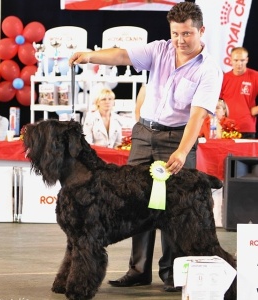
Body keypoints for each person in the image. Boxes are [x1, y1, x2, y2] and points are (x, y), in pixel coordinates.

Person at [69, 1, 223, 292]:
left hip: (177, 139)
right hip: (143, 134)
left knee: (175, 207)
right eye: (176, 33)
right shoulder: (160, 49)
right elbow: (122, 54)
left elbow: (197, 116)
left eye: (187, 33)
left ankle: (173, 274)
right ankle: (138, 270)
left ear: (201, 31)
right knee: (135, 202)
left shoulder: (210, 71)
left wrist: (181, 150)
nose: (180, 40)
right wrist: (89, 55)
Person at [220, 47, 258, 139]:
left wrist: (256, 109)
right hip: (226, 128)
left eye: (242, 60)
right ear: (230, 60)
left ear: (247, 60)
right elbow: (217, 103)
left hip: (247, 128)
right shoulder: (224, 78)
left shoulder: (255, 76)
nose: (239, 64)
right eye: (236, 60)